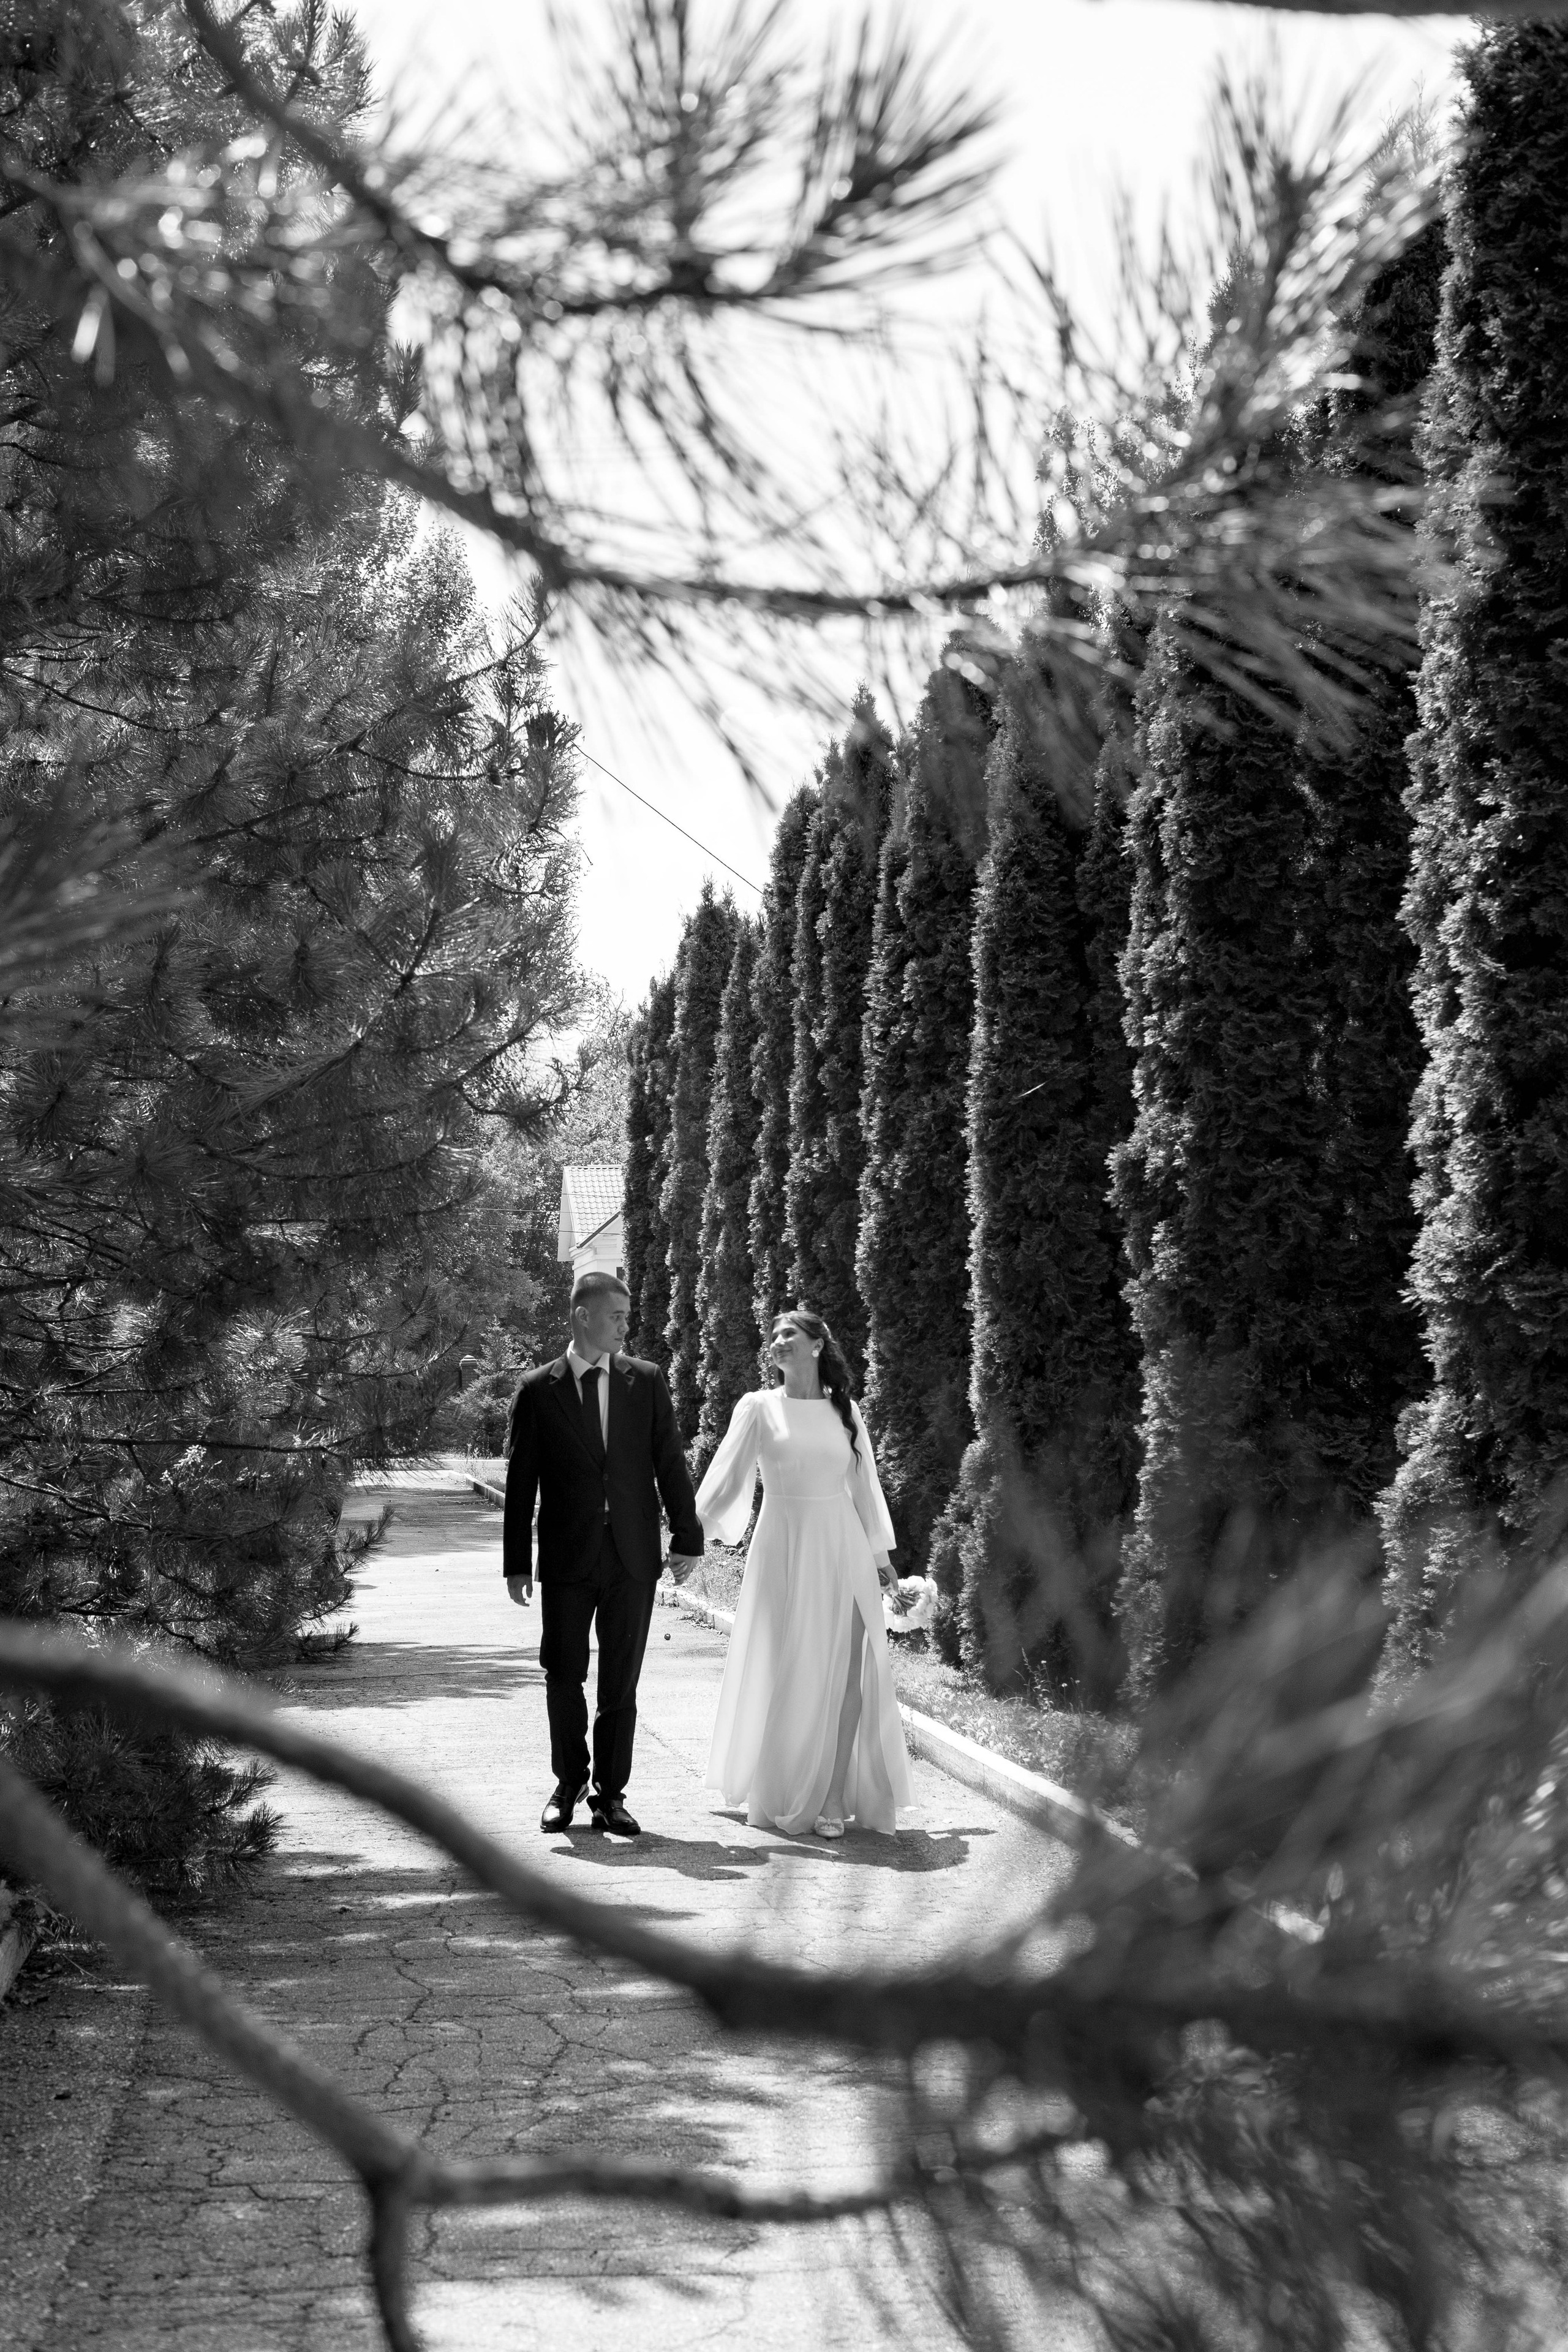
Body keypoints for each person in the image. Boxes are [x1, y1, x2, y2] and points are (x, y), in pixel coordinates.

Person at [695, 1307, 915, 1839]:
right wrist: (689, 1536)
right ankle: (781, 1784)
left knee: (846, 1674)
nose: (777, 1341)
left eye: (788, 1333)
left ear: (817, 1345)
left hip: (843, 1548)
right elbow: (724, 1479)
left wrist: (884, 1563)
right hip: (782, 1547)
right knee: (784, 1668)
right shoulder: (758, 1408)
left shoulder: (846, 1412)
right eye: (773, 1335)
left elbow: (865, 1491)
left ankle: (834, 1797)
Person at [504, 1272, 703, 1836]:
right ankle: (569, 1784)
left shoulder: (647, 1380)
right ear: (582, 1316)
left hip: (632, 1556)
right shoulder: (538, 1389)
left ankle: (610, 1797)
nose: (624, 1327)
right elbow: (521, 1483)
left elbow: (669, 1461)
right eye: (616, 1316)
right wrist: (517, 1562)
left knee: (621, 1682)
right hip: (568, 1556)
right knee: (563, 1673)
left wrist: (686, 1535)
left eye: (626, 1317)